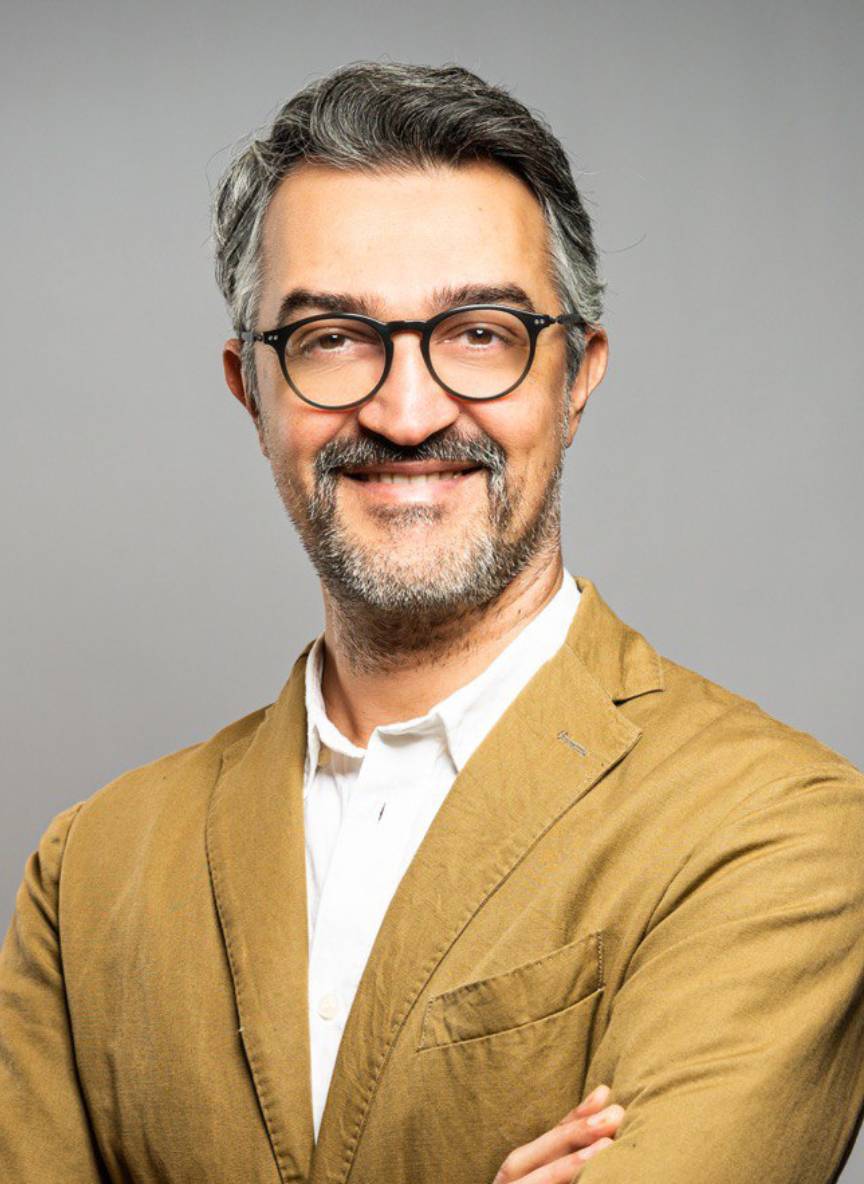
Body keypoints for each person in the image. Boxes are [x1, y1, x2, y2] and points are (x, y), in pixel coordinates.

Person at [2, 61, 863, 1184]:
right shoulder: (90, 871)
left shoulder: (780, 830)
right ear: (250, 389)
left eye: (480, 332)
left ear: (576, 375)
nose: (406, 412)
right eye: (331, 337)